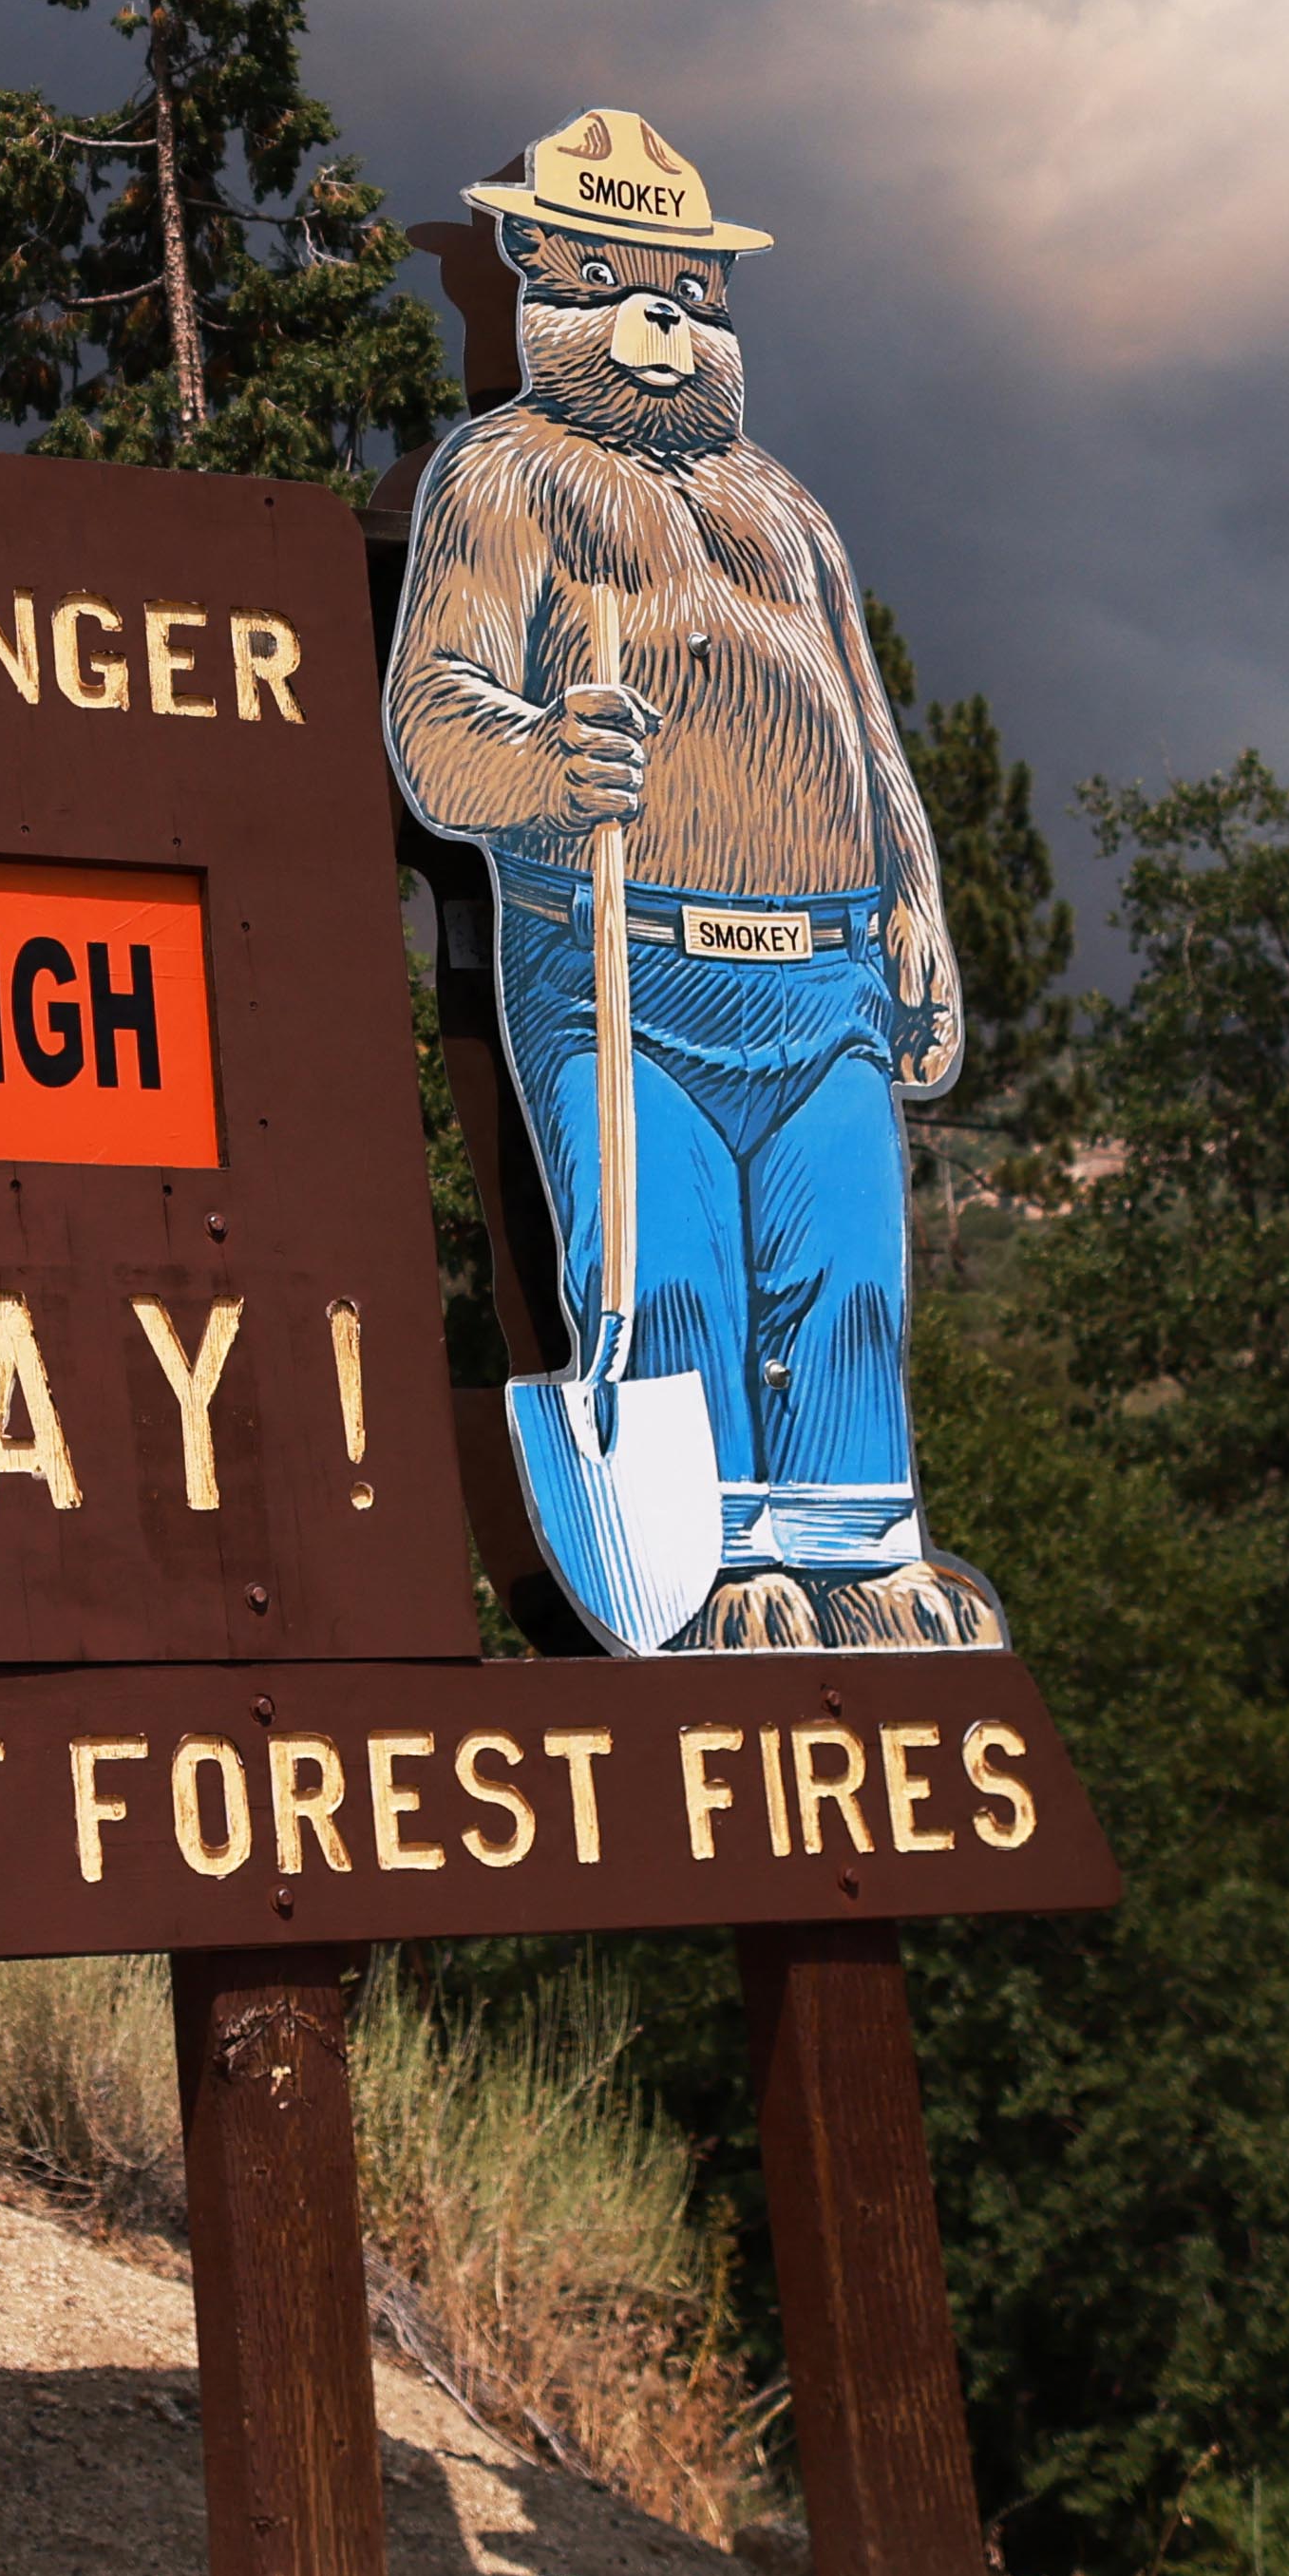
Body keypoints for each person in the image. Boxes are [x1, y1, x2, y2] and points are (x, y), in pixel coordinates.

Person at [381, 108, 996, 1654]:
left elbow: (865, 720)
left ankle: (861, 1557)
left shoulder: (788, 509)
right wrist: (543, 760)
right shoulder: (505, 478)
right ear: (537, 281)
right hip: (624, 963)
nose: (658, 322)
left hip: (825, 974)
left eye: (688, 293)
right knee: (671, 1276)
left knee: (848, 1270)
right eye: (607, 283)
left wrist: (914, 902)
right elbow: (434, 722)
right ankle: (708, 1564)